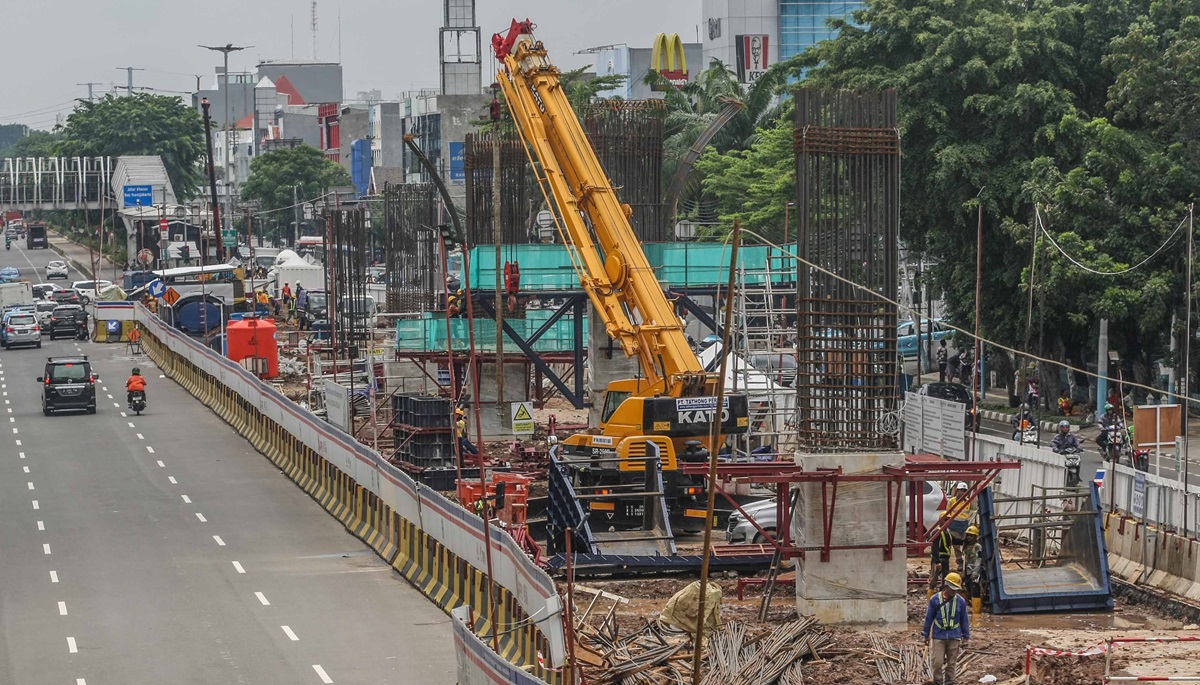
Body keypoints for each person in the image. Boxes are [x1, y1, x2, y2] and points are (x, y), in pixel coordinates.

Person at [923, 572, 971, 685]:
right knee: (937, 662)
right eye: (952, 589)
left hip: (955, 636)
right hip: (939, 635)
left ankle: (950, 682)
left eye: (956, 589)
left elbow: (964, 619)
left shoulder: (961, 601)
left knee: (951, 663)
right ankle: (938, 682)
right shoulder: (935, 599)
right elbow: (929, 617)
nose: (954, 591)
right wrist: (925, 634)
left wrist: (966, 636)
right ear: (946, 586)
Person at [946, 482, 972, 571]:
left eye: (964, 491)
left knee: (967, 544)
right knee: (956, 546)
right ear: (957, 491)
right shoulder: (952, 501)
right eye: (961, 490)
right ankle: (960, 561)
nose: (963, 493)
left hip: (964, 525)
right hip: (954, 525)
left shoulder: (968, 502)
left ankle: (968, 562)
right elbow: (948, 512)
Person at [961, 526, 984, 614]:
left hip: (974, 572)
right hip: (967, 572)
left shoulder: (977, 547)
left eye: (972, 536)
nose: (969, 537)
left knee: (975, 590)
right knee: (968, 588)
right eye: (968, 535)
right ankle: (973, 606)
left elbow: (978, 560)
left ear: (975, 537)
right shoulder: (967, 546)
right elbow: (965, 561)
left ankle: (976, 612)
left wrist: (975, 573)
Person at [929, 514, 953, 594]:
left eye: (948, 520)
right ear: (940, 520)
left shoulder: (948, 532)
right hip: (939, 559)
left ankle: (942, 596)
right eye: (945, 519)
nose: (947, 521)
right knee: (934, 579)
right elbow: (934, 548)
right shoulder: (937, 532)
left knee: (945, 579)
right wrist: (937, 561)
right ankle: (930, 597)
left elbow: (956, 540)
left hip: (946, 559)